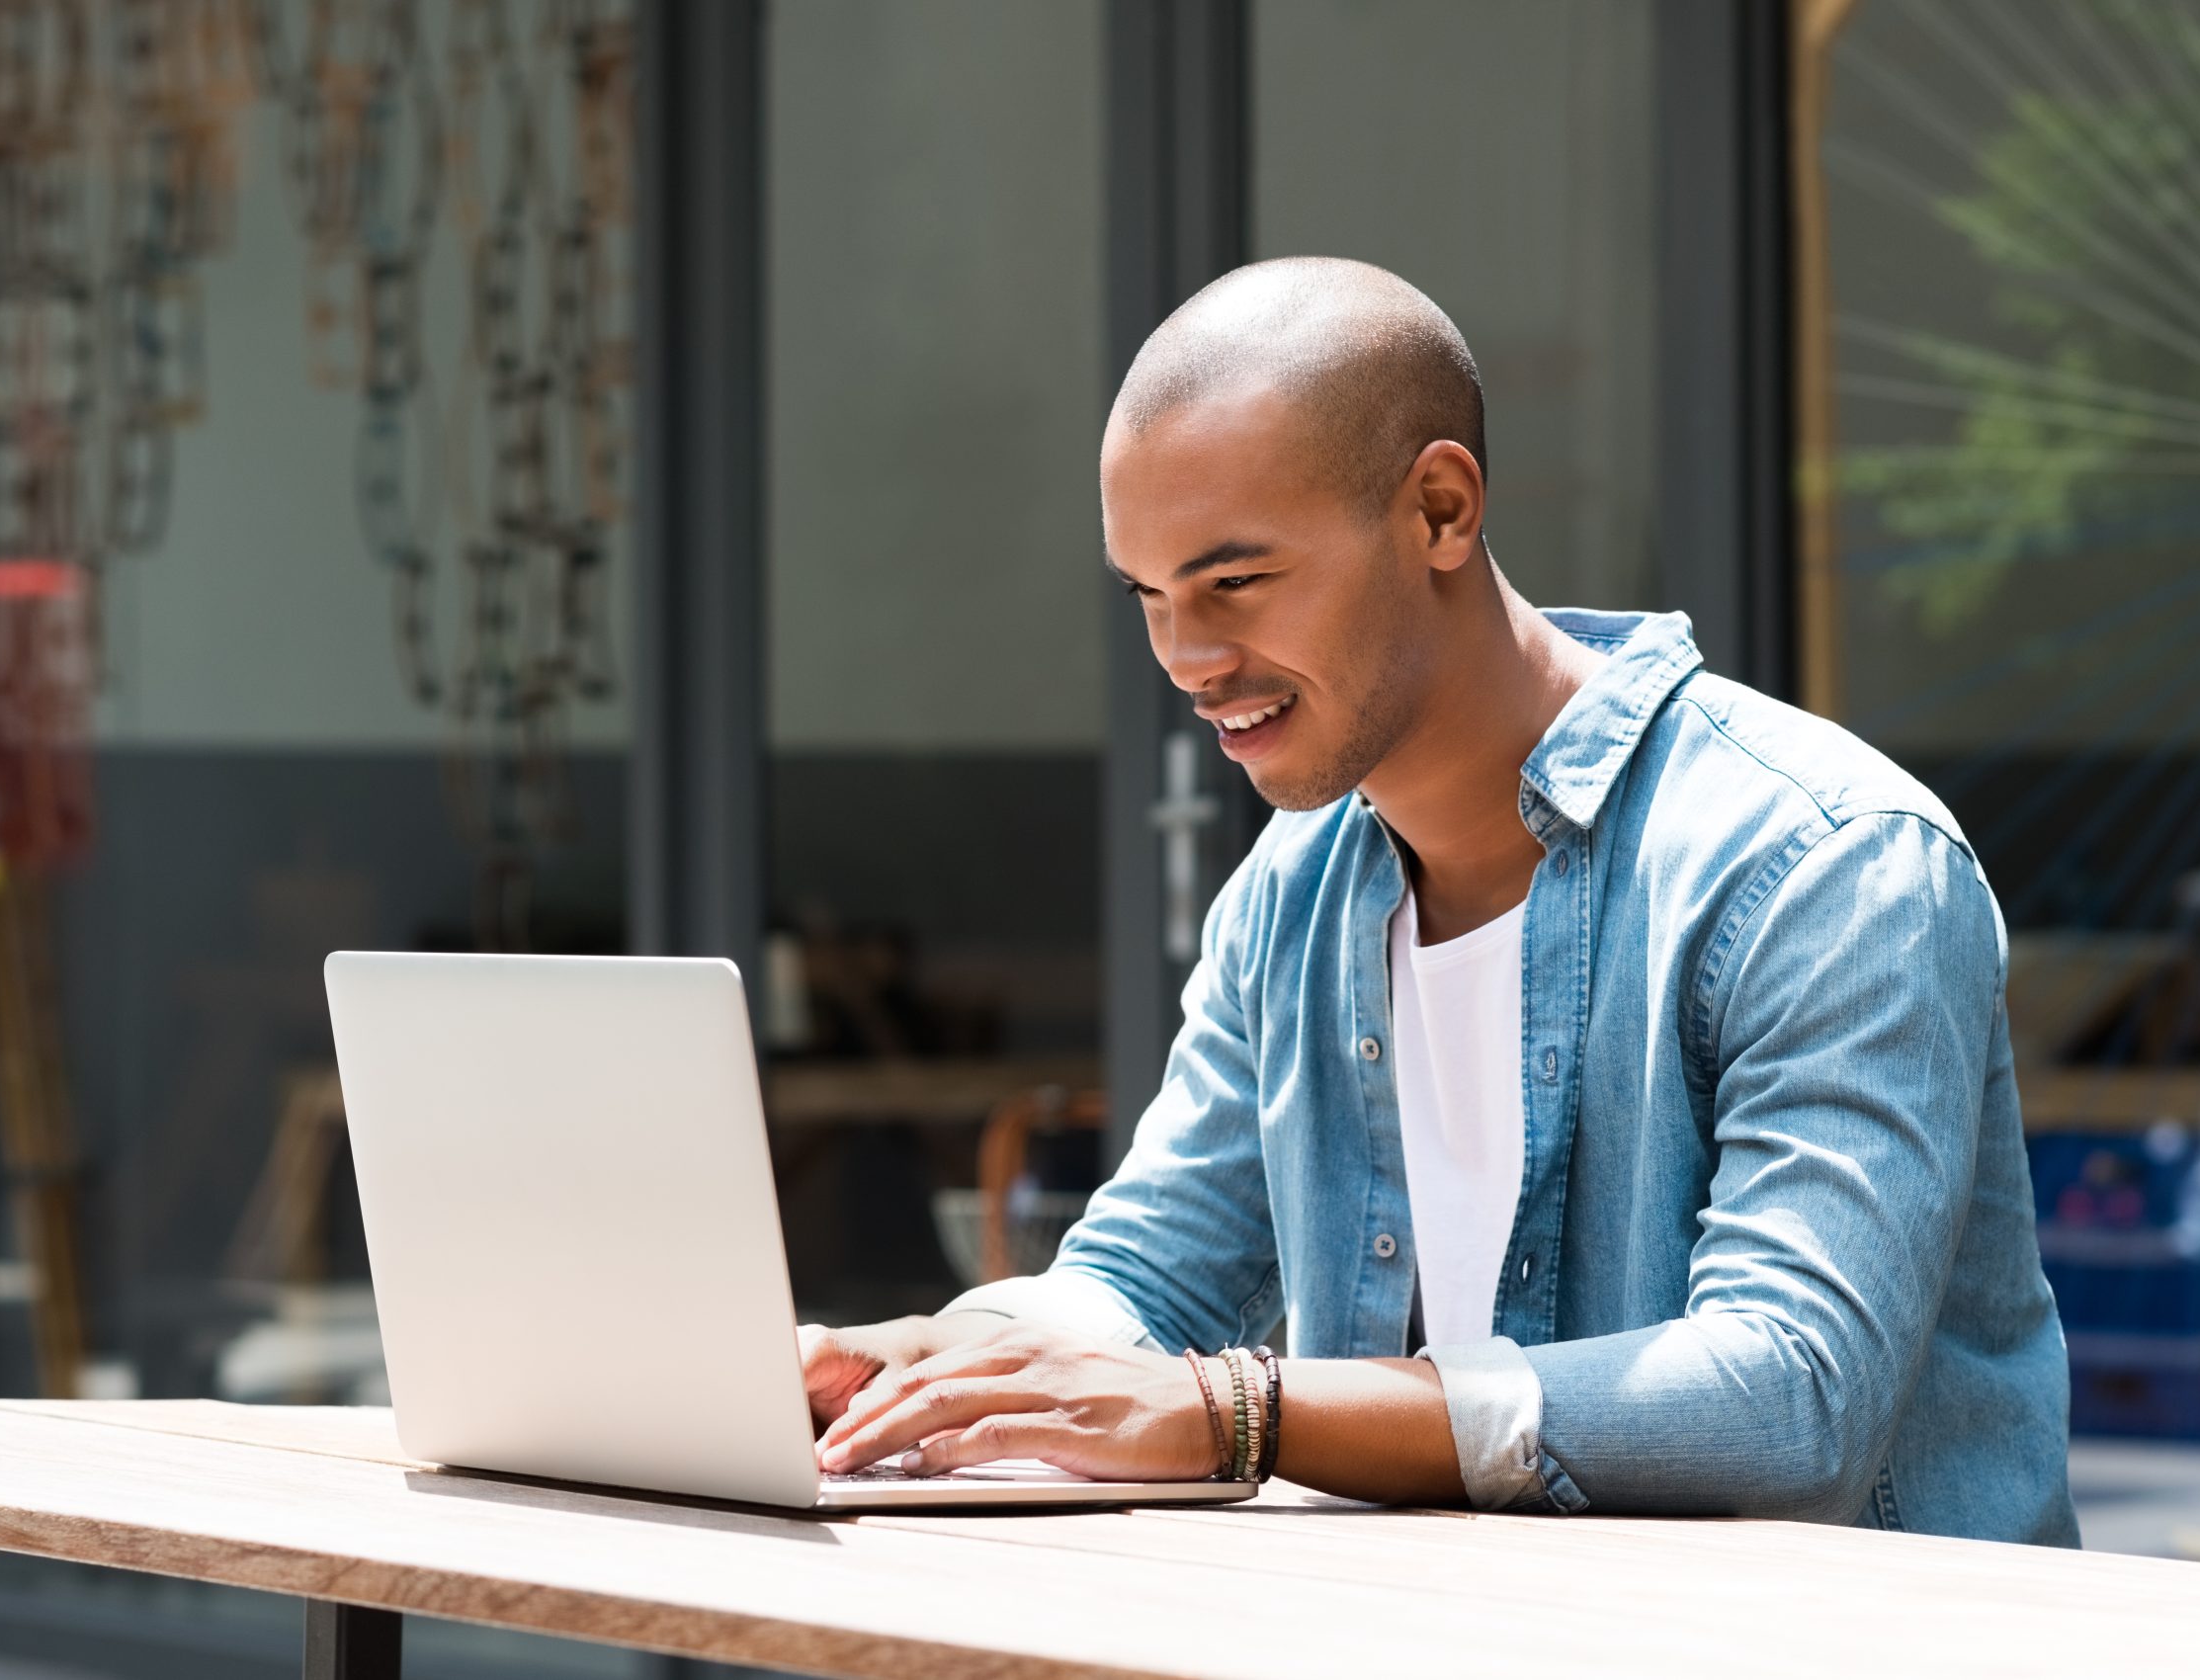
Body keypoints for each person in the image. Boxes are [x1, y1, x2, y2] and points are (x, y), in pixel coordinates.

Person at [801, 257, 2077, 1544]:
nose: (1187, 658)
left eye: (1235, 583)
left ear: (1441, 510)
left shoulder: (1821, 864)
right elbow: (1147, 1282)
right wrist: (925, 1360)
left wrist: (1242, 1411)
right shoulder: (1290, 904)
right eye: (1149, 595)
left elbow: (1790, 1397)